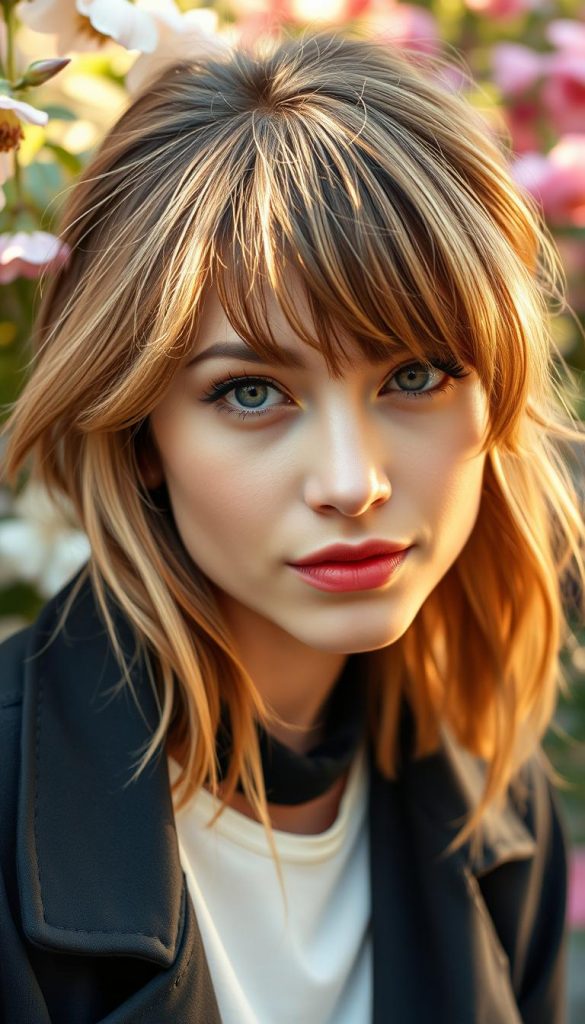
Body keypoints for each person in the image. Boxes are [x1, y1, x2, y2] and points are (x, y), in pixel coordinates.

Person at [0, 29, 583, 1024]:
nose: (353, 483)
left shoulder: (500, 816)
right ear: (144, 432)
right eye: (252, 392)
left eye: (414, 376)